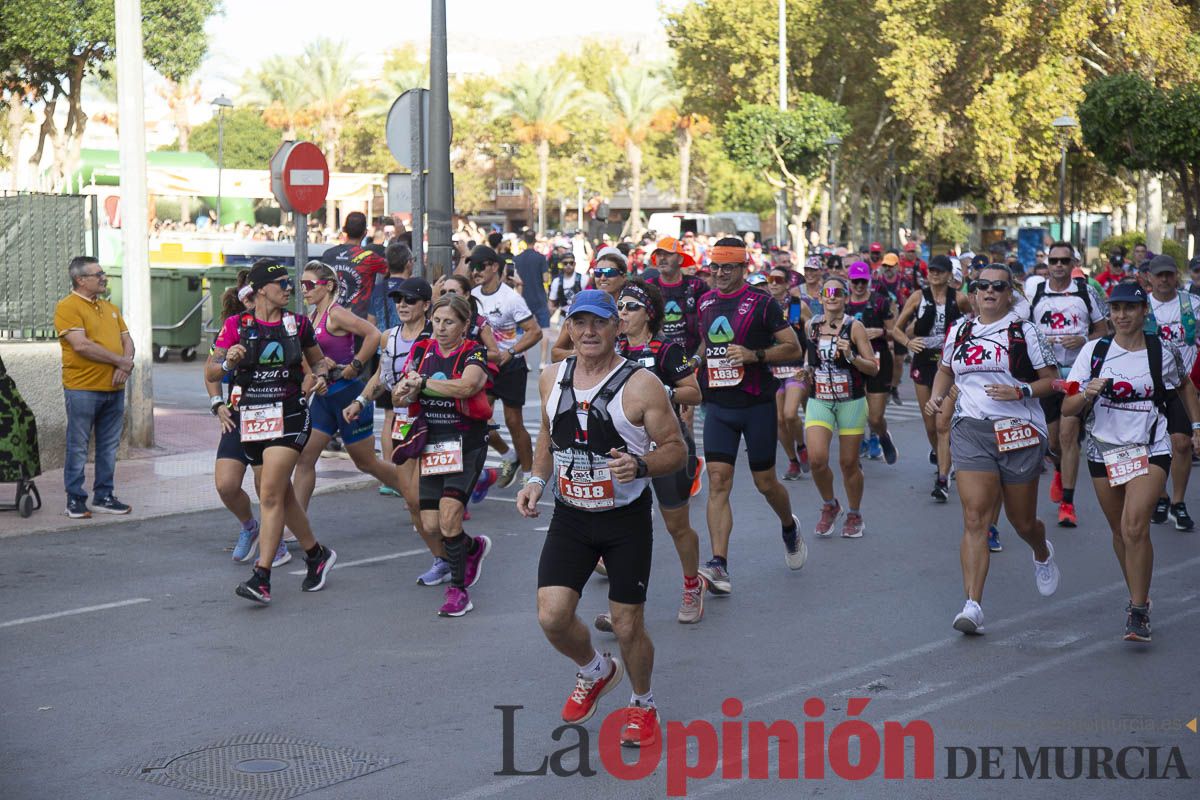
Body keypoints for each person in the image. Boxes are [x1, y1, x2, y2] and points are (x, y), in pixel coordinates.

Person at [516, 289, 686, 749]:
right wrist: (535, 480)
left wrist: (642, 465)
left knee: (628, 624)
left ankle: (642, 702)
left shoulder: (640, 385)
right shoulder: (551, 377)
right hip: (571, 517)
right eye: (580, 323)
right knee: (552, 617)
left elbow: (676, 449)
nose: (588, 332)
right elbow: (548, 438)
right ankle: (595, 669)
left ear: (617, 328)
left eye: (599, 323)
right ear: (568, 328)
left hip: (624, 521)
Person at [927, 264, 1062, 634]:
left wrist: (1021, 391)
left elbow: (1053, 381)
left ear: (1009, 294)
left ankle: (1040, 549)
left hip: (1018, 431)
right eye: (982, 286)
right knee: (975, 517)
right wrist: (938, 397)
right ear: (973, 293)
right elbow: (945, 369)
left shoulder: (1025, 331)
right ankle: (973, 605)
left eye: (998, 287)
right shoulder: (961, 329)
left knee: (1022, 522)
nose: (989, 292)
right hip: (971, 430)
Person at [1063, 282, 1200, 642]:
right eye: (1115, 309)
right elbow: (1068, 406)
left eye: (1129, 308)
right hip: (1103, 449)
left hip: (1150, 446)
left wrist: (1196, 425)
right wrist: (1087, 391)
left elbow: (1184, 385)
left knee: (1135, 526)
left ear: (1143, 312)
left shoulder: (1161, 351)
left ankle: (1137, 611)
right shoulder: (1095, 351)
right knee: (1120, 532)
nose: (1121, 316)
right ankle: (1139, 593)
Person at [207, 259, 337, 605]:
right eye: (281, 283)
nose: (289, 289)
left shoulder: (298, 324)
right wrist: (229, 362)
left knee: (268, 494)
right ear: (262, 288)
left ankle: (262, 576)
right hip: (252, 418)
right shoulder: (237, 325)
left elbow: (319, 362)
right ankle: (316, 554)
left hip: (291, 415)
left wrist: (320, 377)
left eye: (289, 283)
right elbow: (212, 370)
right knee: (282, 495)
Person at [692, 237, 807, 595]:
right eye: (716, 266)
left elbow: (793, 347)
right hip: (719, 407)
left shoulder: (762, 303)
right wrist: (693, 366)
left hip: (756, 405)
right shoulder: (705, 302)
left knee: (765, 483)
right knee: (718, 481)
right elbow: (704, 344)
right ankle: (719, 564)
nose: (721, 273)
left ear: (744, 268)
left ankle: (789, 526)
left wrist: (753, 355)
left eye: (729, 267)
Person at [593, 280, 705, 629]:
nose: (622, 312)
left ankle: (692, 585)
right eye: (620, 307)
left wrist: (662, 390)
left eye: (631, 307)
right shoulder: (614, 349)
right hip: (625, 451)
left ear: (649, 314)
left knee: (676, 525)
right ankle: (623, 607)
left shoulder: (667, 350)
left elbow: (694, 393)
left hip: (666, 449)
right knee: (624, 529)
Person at [391, 294, 494, 616]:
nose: (441, 327)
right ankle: (472, 547)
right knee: (431, 524)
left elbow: (467, 387)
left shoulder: (473, 352)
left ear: (465, 325)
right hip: (433, 446)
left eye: (449, 322)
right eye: (437, 321)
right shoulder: (422, 352)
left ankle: (458, 590)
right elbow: (401, 389)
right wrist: (402, 391)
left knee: (450, 517)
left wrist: (422, 385)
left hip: (466, 444)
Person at [348, 278, 442, 580]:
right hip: (404, 423)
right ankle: (442, 558)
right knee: (412, 500)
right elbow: (380, 376)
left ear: (425, 305)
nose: (402, 305)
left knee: (443, 504)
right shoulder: (389, 337)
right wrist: (361, 401)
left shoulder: (437, 335)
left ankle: (459, 550)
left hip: (438, 423)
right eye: (398, 299)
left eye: (410, 300)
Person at [293, 263, 403, 511]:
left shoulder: (336, 313)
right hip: (324, 398)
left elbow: (374, 334)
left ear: (328, 285)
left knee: (366, 463)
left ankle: (415, 493)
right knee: (305, 458)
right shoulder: (312, 317)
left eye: (309, 285)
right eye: (301, 285)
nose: (304, 290)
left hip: (347, 396)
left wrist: (355, 365)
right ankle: (295, 524)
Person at [206, 274, 289, 567]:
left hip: (273, 415)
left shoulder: (288, 327)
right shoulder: (232, 329)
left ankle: (275, 541)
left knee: (266, 485)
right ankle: (250, 527)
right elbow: (211, 371)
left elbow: (307, 363)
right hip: (240, 415)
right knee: (226, 485)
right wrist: (217, 404)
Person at [1029, 242, 1109, 528]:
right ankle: (1060, 472)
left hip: (1078, 372)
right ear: (1047, 263)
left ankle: (1068, 503)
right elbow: (1022, 328)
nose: (1059, 265)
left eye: (1064, 260)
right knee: (1052, 442)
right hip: (1048, 375)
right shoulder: (1035, 291)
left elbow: (1104, 330)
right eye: (1054, 260)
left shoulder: (1086, 292)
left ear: (1073, 262)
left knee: (1068, 434)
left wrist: (1083, 340)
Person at [54, 256, 134, 518]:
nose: (103, 277)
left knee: (109, 446)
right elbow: (81, 345)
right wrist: (120, 361)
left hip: (114, 389)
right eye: (97, 274)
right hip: (83, 389)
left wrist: (124, 365)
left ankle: (104, 495)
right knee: (78, 445)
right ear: (80, 279)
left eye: (102, 273)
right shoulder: (68, 307)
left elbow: (127, 339)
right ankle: (75, 499)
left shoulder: (110, 307)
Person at [804, 276, 879, 538]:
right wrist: (805, 371)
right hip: (819, 400)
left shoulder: (854, 327)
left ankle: (855, 512)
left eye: (838, 292)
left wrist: (851, 356)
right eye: (827, 292)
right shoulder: (811, 326)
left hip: (851, 401)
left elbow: (873, 366)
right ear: (820, 297)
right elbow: (810, 360)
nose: (832, 296)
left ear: (845, 297)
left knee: (848, 463)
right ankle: (829, 505)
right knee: (816, 459)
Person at [892, 255, 971, 501]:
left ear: (950, 275)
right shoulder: (918, 297)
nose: (934, 275)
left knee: (941, 422)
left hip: (948, 366)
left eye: (940, 271)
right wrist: (907, 341)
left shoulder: (959, 299)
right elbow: (896, 328)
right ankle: (941, 455)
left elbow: (975, 324)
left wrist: (963, 348)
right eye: (932, 271)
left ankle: (942, 477)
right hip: (923, 362)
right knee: (929, 424)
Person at [470, 245, 543, 488]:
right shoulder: (472, 296)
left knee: (514, 422)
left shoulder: (511, 298)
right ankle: (508, 456)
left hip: (511, 367)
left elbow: (535, 332)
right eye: (472, 266)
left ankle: (528, 474)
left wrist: (510, 352)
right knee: (479, 421)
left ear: (493, 266)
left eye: (480, 266)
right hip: (484, 366)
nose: (475, 271)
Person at [1144, 254, 1200, 530]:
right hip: (1148, 386)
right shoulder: (1141, 307)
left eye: (1169, 274)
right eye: (1159, 275)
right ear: (1150, 278)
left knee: (1180, 443)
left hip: (1181, 385)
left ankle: (1178, 502)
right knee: (1152, 446)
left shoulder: (1192, 305)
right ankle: (1161, 496)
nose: (1164, 279)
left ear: (1176, 276)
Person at [846, 261, 898, 463]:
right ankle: (856, 451)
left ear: (868, 281)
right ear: (849, 281)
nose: (859, 286)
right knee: (854, 412)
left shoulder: (880, 302)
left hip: (878, 362)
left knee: (875, 417)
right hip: (851, 361)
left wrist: (880, 332)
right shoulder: (843, 303)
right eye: (855, 281)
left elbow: (896, 333)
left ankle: (882, 435)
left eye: (863, 281)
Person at [766, 265, 811, 478]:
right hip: (772, 369)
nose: (773, 284)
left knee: (790, 414)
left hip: (795, 367)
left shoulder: (796, 306)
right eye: (770, 279)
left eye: (778, 280)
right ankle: (793, 461)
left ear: (787, 284)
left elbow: (814, 335)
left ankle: (802, 446)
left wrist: (809, 363)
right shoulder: (764, 305)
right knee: (779, 420)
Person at [320, 211, 389, 323]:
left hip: (331, 320)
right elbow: (395, 270)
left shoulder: (328, 255)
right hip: (358, 323)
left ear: (344, 230)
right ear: (365, 233)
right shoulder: (369, 258)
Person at [646, 237, 707, 358]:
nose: (662, 258)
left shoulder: (697, 286)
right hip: (658, 357)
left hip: (693, 356)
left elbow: (708, 325)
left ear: (680, 259)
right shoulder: (648, 286)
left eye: (668, 254)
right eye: (659, 254)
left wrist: (697, 360)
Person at [514, 230, 552, 370]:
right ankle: (543, 361)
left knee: (522, 330)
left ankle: (525, 361)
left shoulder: (517, 259)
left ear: (524, 239)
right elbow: (545, 279)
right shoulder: (541, 258)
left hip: (522, 298)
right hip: (539, 297)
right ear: (535, 240)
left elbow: (516, 279)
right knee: (545, 329)